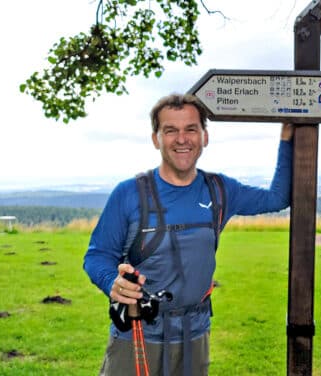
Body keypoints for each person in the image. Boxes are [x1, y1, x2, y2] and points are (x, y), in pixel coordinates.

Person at [83, 93, 293, 375]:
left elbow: (277, 198)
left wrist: (287, 134)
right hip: (137, 335)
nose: (182, 139)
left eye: (191, 129)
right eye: (170, 130)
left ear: (204, 136)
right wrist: (112, 282)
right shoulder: (129, 193)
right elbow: (97, 256)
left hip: (195, 336)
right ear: (156, 139)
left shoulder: (220, 189)